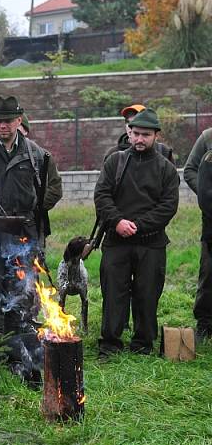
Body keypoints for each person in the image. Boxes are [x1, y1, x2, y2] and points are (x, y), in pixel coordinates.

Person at [0, 96, 63, 344]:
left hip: (24, 237)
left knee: (23, 297)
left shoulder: (37, 155)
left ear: (18, 121)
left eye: (7, 121)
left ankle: (20, 355)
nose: (2, 126)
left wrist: (34, 210)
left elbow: (54, 189)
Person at [94, 108, 179, 356]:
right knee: (113, 294)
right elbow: (101, 196)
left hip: (151, 243)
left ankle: (143, 344)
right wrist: (118, 221)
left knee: (147, 294)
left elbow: (168, 207)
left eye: (146, 135)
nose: (140, 139)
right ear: (129, 134)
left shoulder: (166, 168)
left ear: (155, 136)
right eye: (136, 133)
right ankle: (110, 345)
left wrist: (139, 225)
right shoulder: (115, 161)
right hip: (116, 240)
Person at [183, 126, 212, 339]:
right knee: (209, 272)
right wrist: (206, 193)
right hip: (211, 219)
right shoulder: (208, 137)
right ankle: (205, 323)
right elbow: (190, 170)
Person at [104, 104, 174, 164]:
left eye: (136, 123)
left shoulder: (163, 151)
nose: (131, 127)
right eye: (129, 123)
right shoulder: (113, 154)